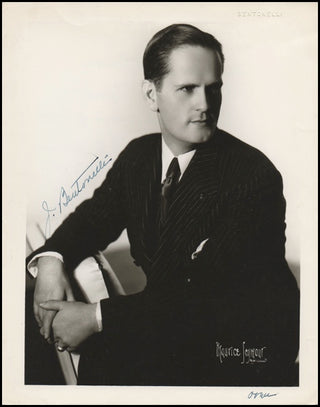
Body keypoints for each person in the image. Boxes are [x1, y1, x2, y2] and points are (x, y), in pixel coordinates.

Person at [27, 23, 299, 385]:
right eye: (187, 89)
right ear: (151, 93)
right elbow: (91, 221)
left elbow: (206, 301)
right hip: (176, 326)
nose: (204, 104)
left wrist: (95, 317)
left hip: (244, 349)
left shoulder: (252, 176)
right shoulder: (139, 158)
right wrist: (51, 259)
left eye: (213, 88)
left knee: (108, 360)